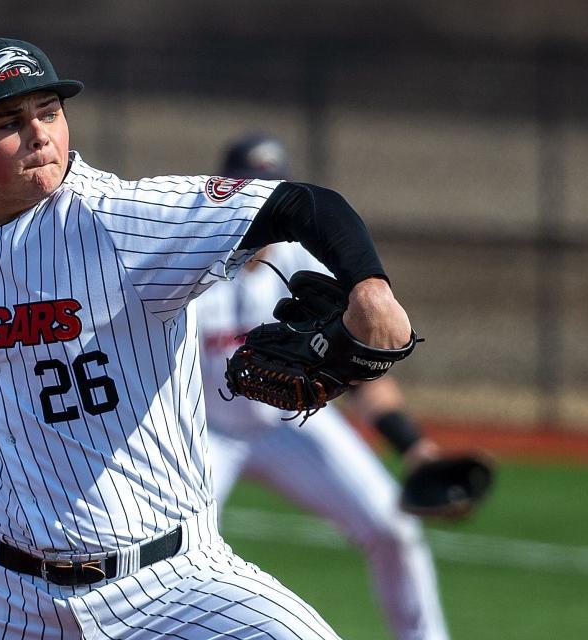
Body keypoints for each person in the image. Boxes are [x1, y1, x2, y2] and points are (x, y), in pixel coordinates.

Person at [0, 37, 415, 639]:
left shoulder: (122, 220)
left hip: (173, 587)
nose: (39, 135)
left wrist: (370, 288)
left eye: (49, 114)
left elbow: (301, 203)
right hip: (8, 601)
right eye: (10, 122)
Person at [197, 134, 451, 640]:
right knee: (179, 555)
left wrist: (412, 445)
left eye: (274, 191)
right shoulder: (187, 272)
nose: (264, 204)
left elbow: (356, 372)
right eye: (253, 189)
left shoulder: (299, 268)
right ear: (227, 190)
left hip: (290, 427)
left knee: (394, 530)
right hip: (203, 433)